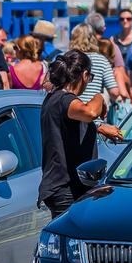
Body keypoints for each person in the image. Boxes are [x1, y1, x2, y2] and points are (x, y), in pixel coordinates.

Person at [38, 50, 119, 219]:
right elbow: (89, 112)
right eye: (90, 78)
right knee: (67, 242)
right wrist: (100, 97)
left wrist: (98, 127)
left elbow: (65, 128)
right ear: (85, 75)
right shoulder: (65, 100)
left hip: (68, 187)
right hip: (66, 188)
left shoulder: (54, 99)